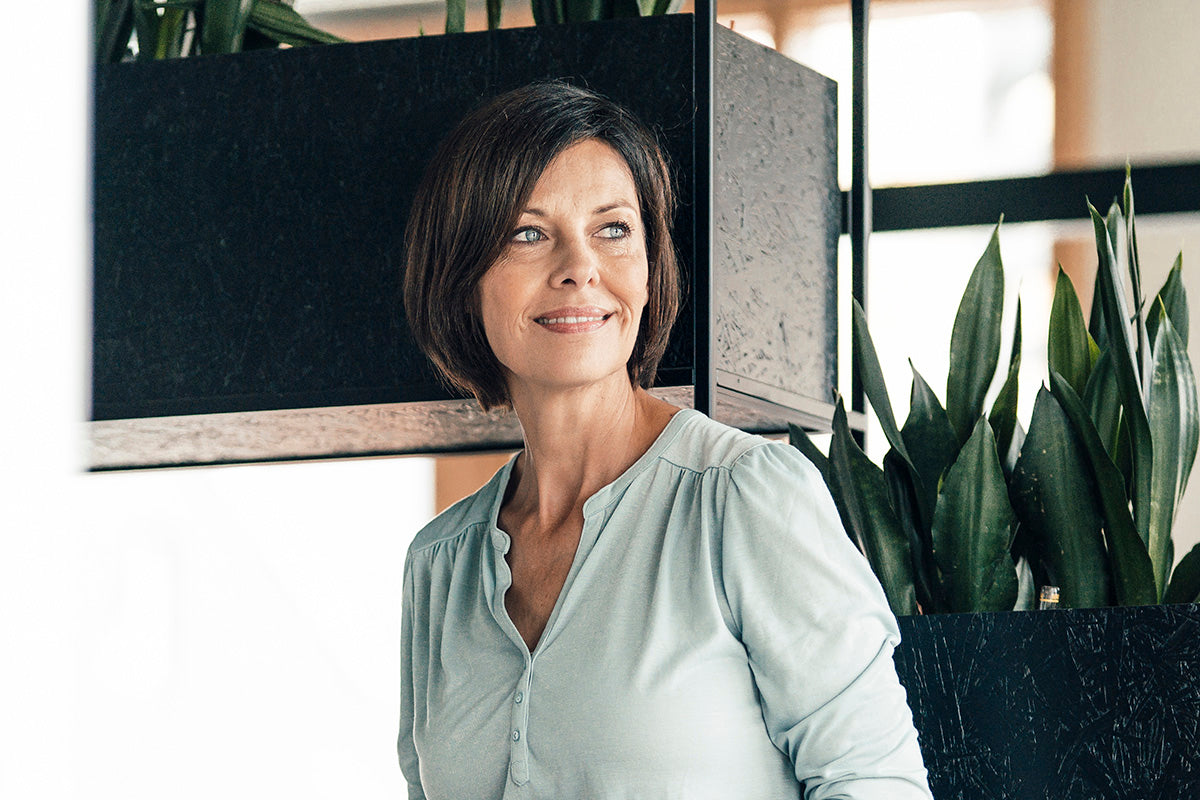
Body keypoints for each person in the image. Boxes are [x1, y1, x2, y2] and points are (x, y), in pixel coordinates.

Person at [399, 80, 932, 800]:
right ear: (461, 277)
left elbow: (876, 784)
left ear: (650, 269)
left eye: (613, 229)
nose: (579, 267)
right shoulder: (440, 563)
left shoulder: (745, 499)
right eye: (529, 232)